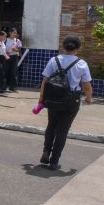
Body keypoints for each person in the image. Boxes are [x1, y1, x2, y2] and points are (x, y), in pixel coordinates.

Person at [37, 35, 93, 170]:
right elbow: (86, 85)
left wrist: (41, 99)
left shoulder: (54, 60)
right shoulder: (81, 63)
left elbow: (45, 80)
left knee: (51, 126)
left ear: (63, 47)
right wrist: (88, 98)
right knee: (62, 131)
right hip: (71, 100)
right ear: (78, 48)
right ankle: (54, 162)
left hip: (53, 98)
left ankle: (46, 152)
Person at [4, 28, 22, 92]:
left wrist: (15, 50)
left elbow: (19, 50)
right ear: (10, 33)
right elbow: (2, 49)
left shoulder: (17, 40)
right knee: (5, 71)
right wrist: (6, 53)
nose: (15, 34)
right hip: (6, 57)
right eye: (14, 33)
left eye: (16, 33)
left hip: (14, 57)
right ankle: (3, 87)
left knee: (14, 72)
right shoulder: (6, 40)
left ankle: (12, 88)